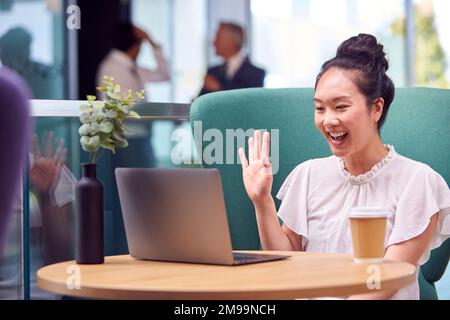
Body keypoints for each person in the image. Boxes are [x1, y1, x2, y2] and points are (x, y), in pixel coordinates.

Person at [238, 33, 450, 300]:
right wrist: (262, 201)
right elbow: (285, 262)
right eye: (320, 108)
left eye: (341, 107)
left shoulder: (418, 182)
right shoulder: (308, 175)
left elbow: (382, 284)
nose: (329, 121)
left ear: (376, 108)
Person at [198, 22, 265, 96]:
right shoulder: (212, 72)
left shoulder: (256, 74)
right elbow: (200, 102)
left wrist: (218, 88)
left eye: (218, 38)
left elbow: (250, 102)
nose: (213, 42)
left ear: (230, 41)